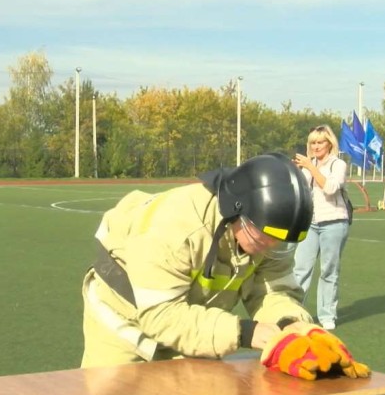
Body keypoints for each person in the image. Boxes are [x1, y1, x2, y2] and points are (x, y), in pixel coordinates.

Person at [80, 153, 315, 368]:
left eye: (279, 239)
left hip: (188, 320)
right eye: (264, 236)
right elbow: (161, 315)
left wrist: (289, 323)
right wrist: (243, 332)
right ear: (236, 208)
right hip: (122, 320)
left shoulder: (268, 231)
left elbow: (273, 291)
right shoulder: (176, 227)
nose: (271, 245)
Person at [292, 125, 350, 331]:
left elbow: (330, 188)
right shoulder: (308, 165)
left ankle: (327, 315)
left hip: (334, 222)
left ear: (329, 144)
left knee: (329, 270)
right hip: (310, 224)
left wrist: (310, 167)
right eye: (312, 143)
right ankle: (294, 313)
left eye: (320, 142)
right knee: (300, 269)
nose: (316, 146)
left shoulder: (338, 164)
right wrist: (298, 171)